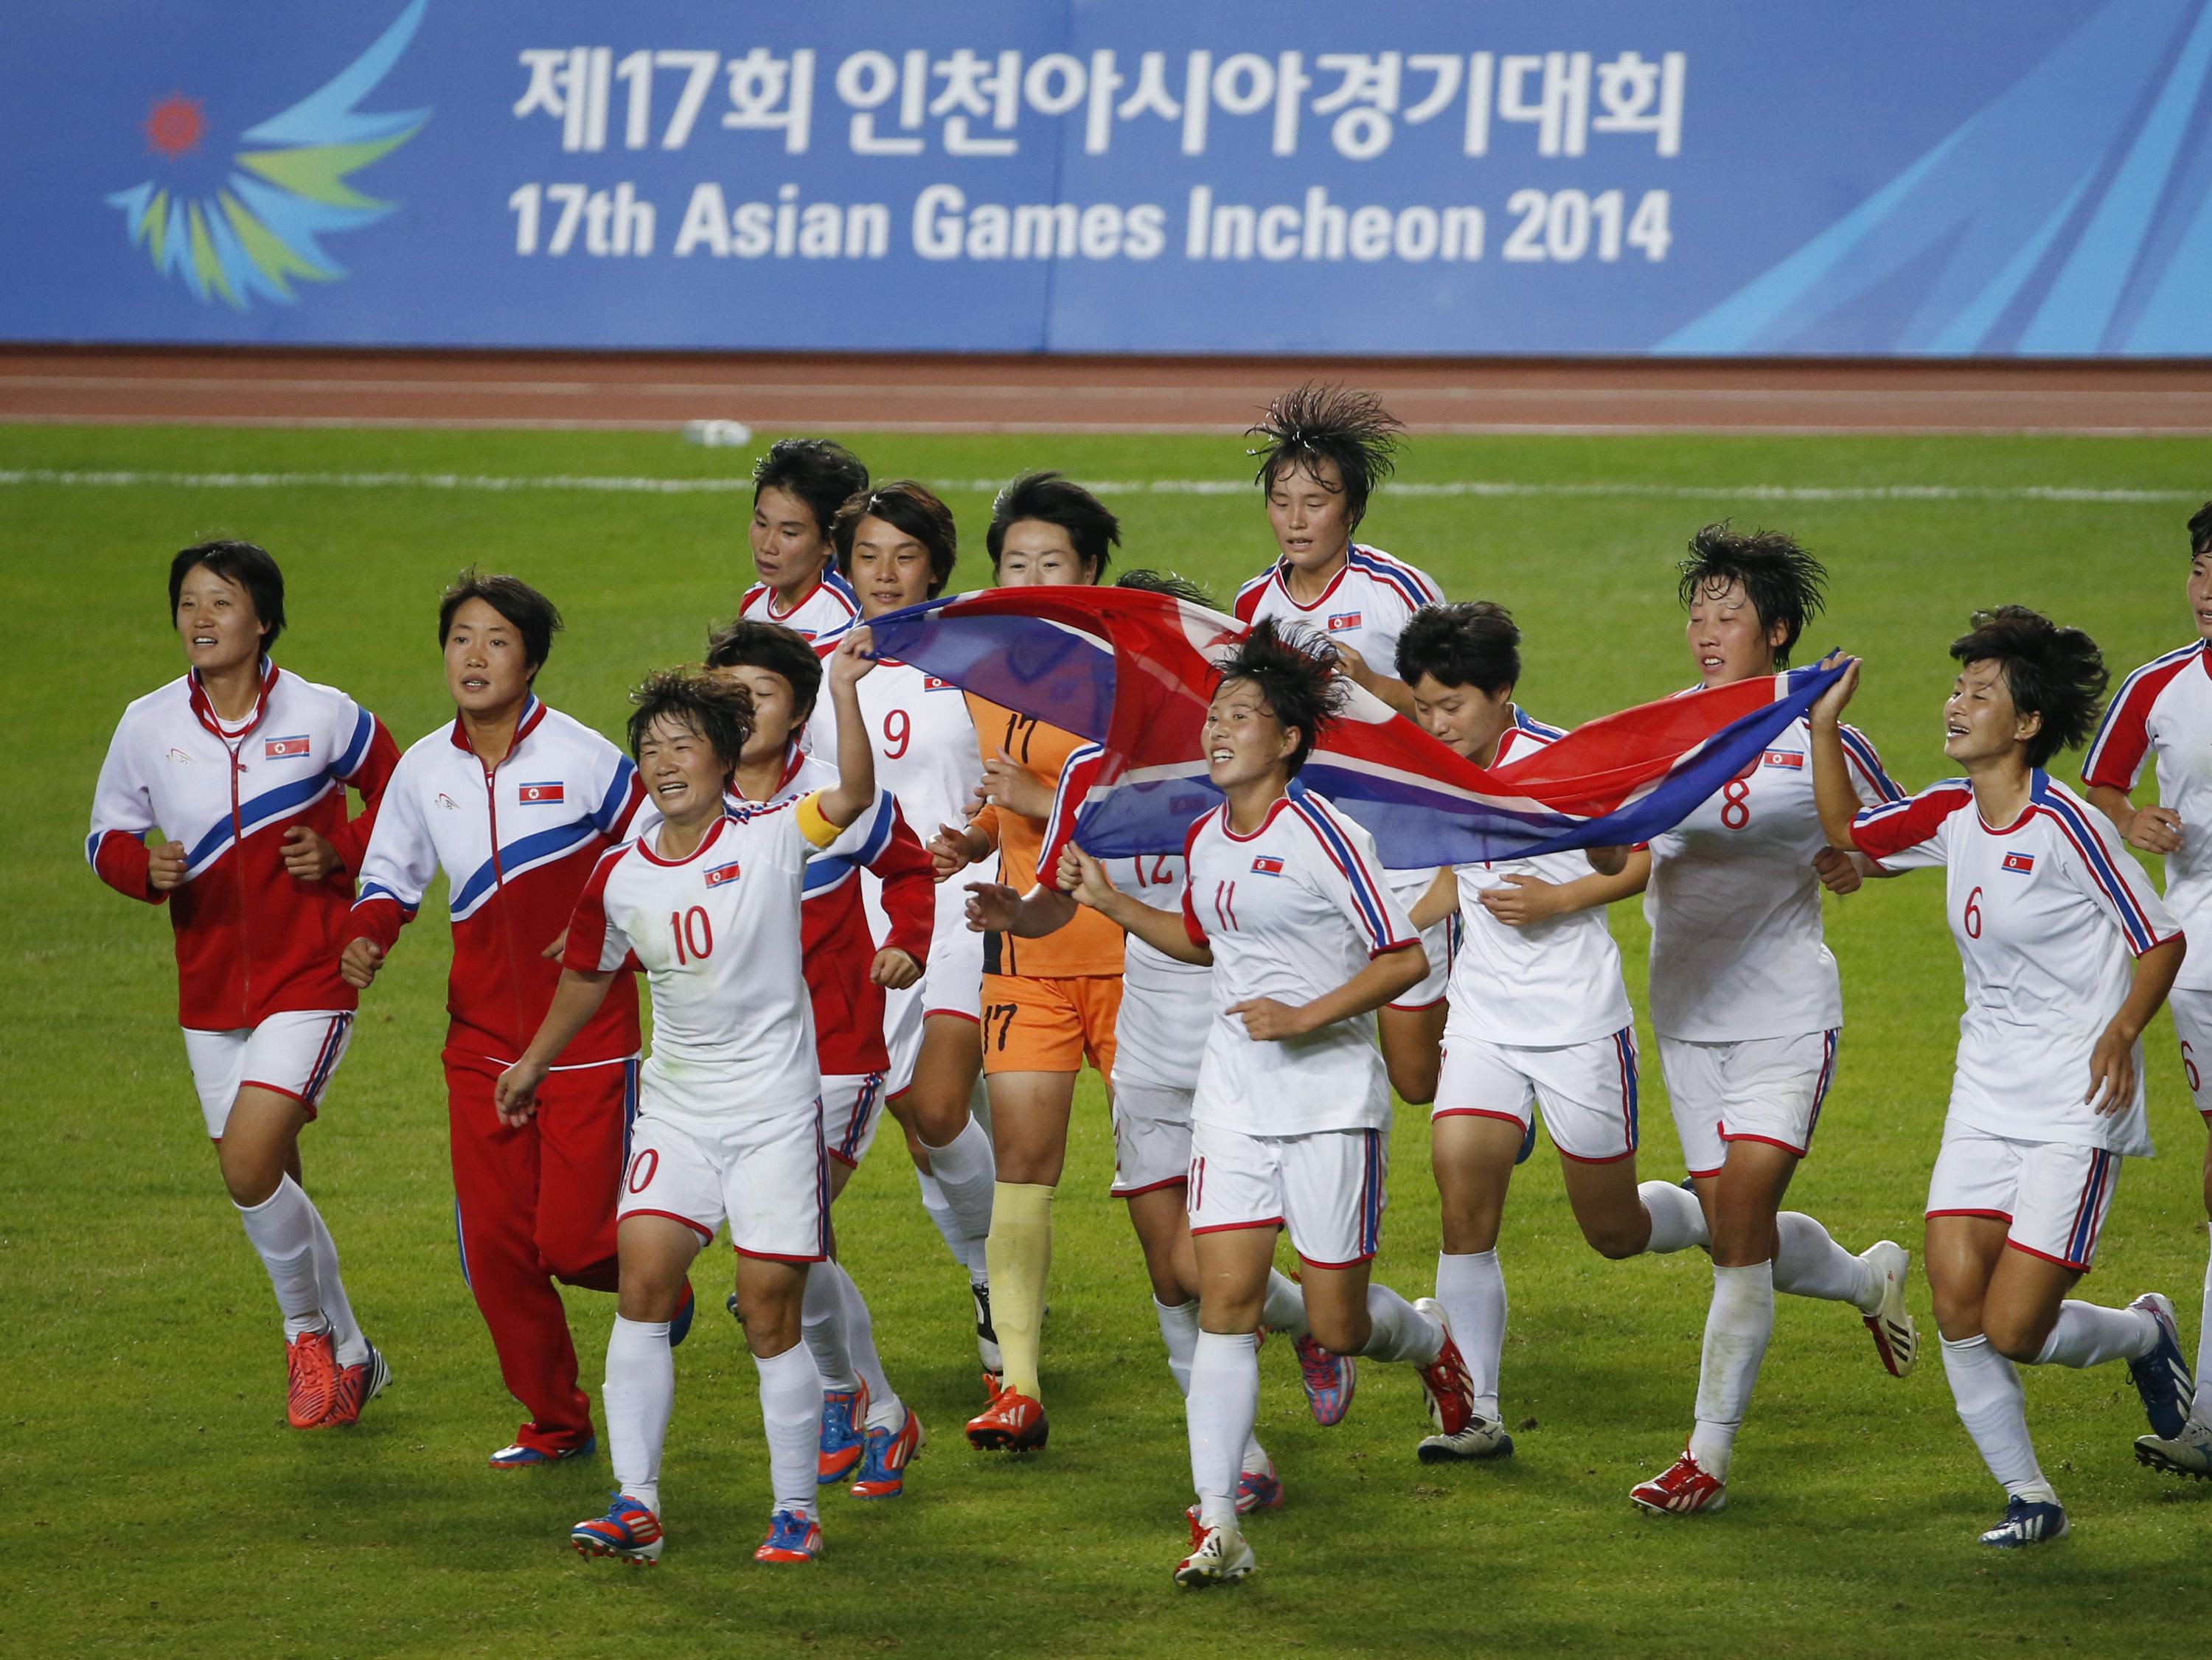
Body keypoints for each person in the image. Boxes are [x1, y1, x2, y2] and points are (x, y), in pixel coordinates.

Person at [1056, 621, 1478, 1587]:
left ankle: (1430, 1340)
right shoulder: (1207, 838)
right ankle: (1219, 1525)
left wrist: (1305, 1015)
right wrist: (1111, 903)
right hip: (1234, 1099)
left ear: (1287, 739)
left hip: (1330, 1100)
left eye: (1240, 716)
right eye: (1214, 714)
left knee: (1337, 1327)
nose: (1217, 730)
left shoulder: (1330, 836)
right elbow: (1206, 943)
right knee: (1225, 1300)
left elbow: (1403, 957)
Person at [1813, 610, 2192, 1546]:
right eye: (1958, 688)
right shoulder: (1951, 811)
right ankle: (2031, 1497)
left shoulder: (2071, 826)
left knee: (2017, 1327)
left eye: (1980, 693)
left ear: (2024, 723)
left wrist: (2122, 1029)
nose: (1957, 704)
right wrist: (1822, 729)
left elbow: (2161, 938)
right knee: (1956, 1305)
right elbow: (1848, 833)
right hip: (1983, 1091)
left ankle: (2146, 1333)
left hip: (2075, 1099)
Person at [504, 647, 883, 1566]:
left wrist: (839, 692)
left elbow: (856, 798)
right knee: (641, 1289)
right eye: (651, 750)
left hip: (772, 1120)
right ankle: (636, 1503)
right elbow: (589, 972)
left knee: (766, 1314)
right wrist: (533, 1062)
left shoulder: (771, 835)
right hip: (674, 1112)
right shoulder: (620, 872)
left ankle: (795, 1508)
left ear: (722, 757)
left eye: (682, 746)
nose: (664, 763)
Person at [965, 571, 1328, 1524]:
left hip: (1249, 1046)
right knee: (1176, 1272)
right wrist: (1022, 912)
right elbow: (1062, 895)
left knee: (1231, 1273)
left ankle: (1258, 1444)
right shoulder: (1092, 773)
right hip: (1152, 1048)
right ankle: (1276, 1384)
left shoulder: (1254, 768)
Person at [1396, 601, 1735, 1460]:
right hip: (1482, 1022)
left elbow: (1638, 860)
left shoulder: (1564, 761)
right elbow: (1451, 884)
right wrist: (1379, 927)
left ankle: (1697, 1215)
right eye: (1426, 706)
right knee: (1463, 1205)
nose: (1437, 724)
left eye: (1453, 706)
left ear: (1502, 692)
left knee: (1612, 1230)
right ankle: (1480, 1411)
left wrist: (1557, 898)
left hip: (1578, 1023)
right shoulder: (1440, 769)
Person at [1631, 525, 1919, 1519]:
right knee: (1731, 1232)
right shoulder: (1663, 728)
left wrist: (1851, 831)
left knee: (1741, 1223)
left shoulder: (1816, 735)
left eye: (1730, 615)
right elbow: (1609, 830)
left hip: (1787, 1016)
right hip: (1686, 1013)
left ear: (1779, 630)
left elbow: (1887, 839)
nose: (1707, 632)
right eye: (1698, 614)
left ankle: (1704, 1459)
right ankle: (1864, 1279)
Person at [342, 573, 655, 1468]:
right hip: (477, 1039)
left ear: (531, 660)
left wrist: (605, 930)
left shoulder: (588, 757)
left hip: (591, 1037)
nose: (474, 657)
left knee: (577, 1239)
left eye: (497, 641)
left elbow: (659, 847)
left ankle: (657, 1285)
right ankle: (555, 1421)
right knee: (495, 1247)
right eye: (460, 639)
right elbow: (388, 876)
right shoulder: (422, 771)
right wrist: (367, 936)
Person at [89, 540, 398, 1429]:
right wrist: (140, 867)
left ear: (262, 618)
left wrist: (340, 850)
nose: (200, 618)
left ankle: (303, 1334)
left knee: (248, 1161)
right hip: (210, 989)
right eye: (188, 601)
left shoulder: (325, 714)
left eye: (220, 602)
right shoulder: (147, 723)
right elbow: (105, 832)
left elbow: (405, 795)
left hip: (312, 973)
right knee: (274, 1176)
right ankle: (353, 1358)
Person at [705, 618, 933, 1500]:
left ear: (799, 710)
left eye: (758, 693)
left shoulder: (838, 797)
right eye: (725, 693)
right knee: (789, 1243)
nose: (740, 709)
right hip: (734, 1062)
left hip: (836, 1050)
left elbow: (909, 871)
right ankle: (872, 1406)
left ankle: (863, 1403)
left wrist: (908, 940)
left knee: (788, 1240)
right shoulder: (689, 803)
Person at [930, 472, 1130, 1452]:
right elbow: (1007, 795)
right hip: (1025, 953)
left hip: (1136, 958)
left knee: (1166, 1192)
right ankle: (1017, 1385)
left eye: (1053, 562)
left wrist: (1040, 807)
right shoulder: (986, 669)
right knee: (1022, 1164)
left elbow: (1151, 811)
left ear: (1091, 573)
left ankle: (1285, 1328)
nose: (1033, 577)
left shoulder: (1128, 675)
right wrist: (981, 833)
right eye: (1016, 563)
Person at [815, 481, 1002, 1374]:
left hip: (973, 902)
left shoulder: (981, 654)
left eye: (905, 554)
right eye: (867, 556)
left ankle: (1004, 1281)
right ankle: (992, 1276)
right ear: (843, 566)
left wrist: (984, 840)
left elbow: (1021, 767)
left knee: (936, 1109)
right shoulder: (821, 667)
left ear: (936, 562)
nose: (885, 573)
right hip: (871, 920)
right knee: (922, 1129)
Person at [1233, 385, 1452, 1106]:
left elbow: (1470, 711)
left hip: (1408, 849)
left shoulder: (1398, 590)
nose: (1295, 519)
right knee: (1319, 1044)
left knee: (1417, 1080)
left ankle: (1493, 1084)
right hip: (1311, 851)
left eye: (1315, 502)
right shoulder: (1249, 606)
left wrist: (1372, 684)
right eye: (1281, 500)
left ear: (1352, 510)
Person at [2081, 502, 2212, 1477]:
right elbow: (2103, 788)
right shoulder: (2159, 687)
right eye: (2202, 571)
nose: (2208, 591)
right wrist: (2133, 821)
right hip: (2201, 941)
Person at [738, 438, 869, 644]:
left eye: (789, 533)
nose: (767, 546)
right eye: (762, 524)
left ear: (830, 541)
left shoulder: (849, 614)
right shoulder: (754, 602)